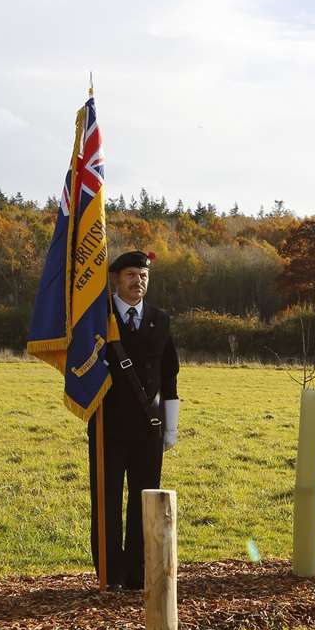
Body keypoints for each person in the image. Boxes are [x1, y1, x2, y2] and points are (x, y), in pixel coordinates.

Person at [91, 250, 180, 590]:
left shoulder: (160, 319)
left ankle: (137, 575)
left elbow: (169, 375)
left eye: (143, 276)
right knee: (107, 503)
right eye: (131, 275)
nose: (137, 281)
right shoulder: (98, 316)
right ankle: (110, 575)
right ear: (116, 278)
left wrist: (170, 427)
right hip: (108, 428)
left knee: (146, 504)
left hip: (148, 429)